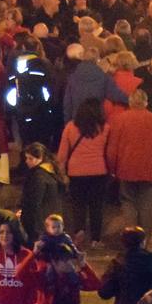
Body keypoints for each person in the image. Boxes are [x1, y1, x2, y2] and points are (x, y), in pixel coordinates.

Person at [106, 87, 152, 234]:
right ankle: (144, 237)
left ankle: (131, 233)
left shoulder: (120, 120)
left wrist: (112, 169)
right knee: (147, 204)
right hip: (150, 168)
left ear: (130, 102)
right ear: (145, 102)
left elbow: (112, 148)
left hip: (126, 168)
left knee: (128, 201)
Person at [55, 97, 109, 246]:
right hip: (99, 171)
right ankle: (96, 239)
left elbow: (62, 155)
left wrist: (62, 173)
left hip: (76, 172)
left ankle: (79, 232)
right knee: (96, 207)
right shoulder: (104, 128)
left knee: (78, 205)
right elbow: (108, 151)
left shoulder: (70, 127)